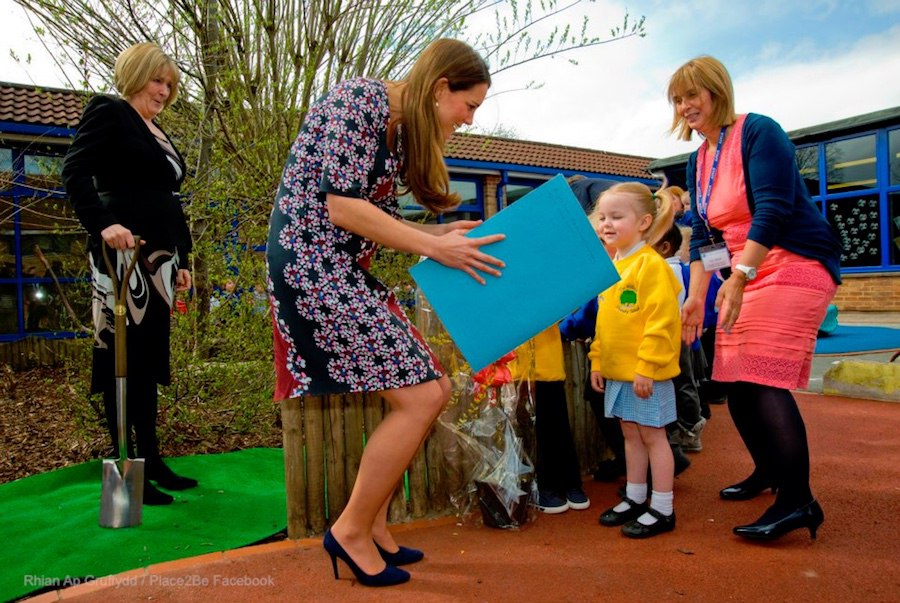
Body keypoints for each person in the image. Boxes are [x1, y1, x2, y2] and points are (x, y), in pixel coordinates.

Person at [266, 39, 504, 587]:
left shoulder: (396, 132)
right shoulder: (360, 103)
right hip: (312, 267)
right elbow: (343, 206)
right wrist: (434, 247)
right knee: (421, 394)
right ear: (442, 87)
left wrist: (436, 235)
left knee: (432, 391)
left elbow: (377, 219)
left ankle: (372, 524)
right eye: (470, 106)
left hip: (343, 268)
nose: (468, 121)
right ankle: (349, 531)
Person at [668, 55, 841, 541]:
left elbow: (774, 208)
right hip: (742, 270)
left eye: (692, 95)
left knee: (762, 379)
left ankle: (799, 501)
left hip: (791, 260)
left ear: (716, 91)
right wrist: (696, 295)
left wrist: (741, 276)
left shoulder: (759, 131)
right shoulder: (697, 157)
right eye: (678, 99)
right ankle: (769, 472)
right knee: (734, 382)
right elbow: (705, 232)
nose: (685, 106)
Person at [62, 42, 196, 506]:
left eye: (169, 84)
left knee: (149, 362)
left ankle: (152, 462)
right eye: (157, 80)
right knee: (123, 361)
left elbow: (167, 200)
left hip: (159, 263)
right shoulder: (109, 112)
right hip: (122, 260)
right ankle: (126, 468)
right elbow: (74, 172)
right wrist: (103, 223)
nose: (163, 90)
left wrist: (184, 261)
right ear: (135, 74)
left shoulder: (156, 129)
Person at [589, 182, 682, 539]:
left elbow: (662, 322)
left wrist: (647, 366)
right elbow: (605, 321)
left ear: (644, 222)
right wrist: (598, 360)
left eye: (616, 216)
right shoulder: (613, 265)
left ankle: (662, 507)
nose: (606, 224)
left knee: (653, 436)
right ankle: (636, 495)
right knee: (630, 434)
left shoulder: (649, 265)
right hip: (618, 372)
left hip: (646, 373)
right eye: (602, 217)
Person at [509, 324, 590, 514]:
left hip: (547, 361)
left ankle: (568, 482)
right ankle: (541, 488)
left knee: (557, 424)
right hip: (516, 365)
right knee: (529, 430)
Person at [652, 224, 706, 454]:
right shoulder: (678, 268)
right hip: (679, 333)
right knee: (684, 381)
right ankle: (688, 425)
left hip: (674, 334)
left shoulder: (667, 269)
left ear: (664, 247)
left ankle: (691, 428)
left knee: (682, 381)